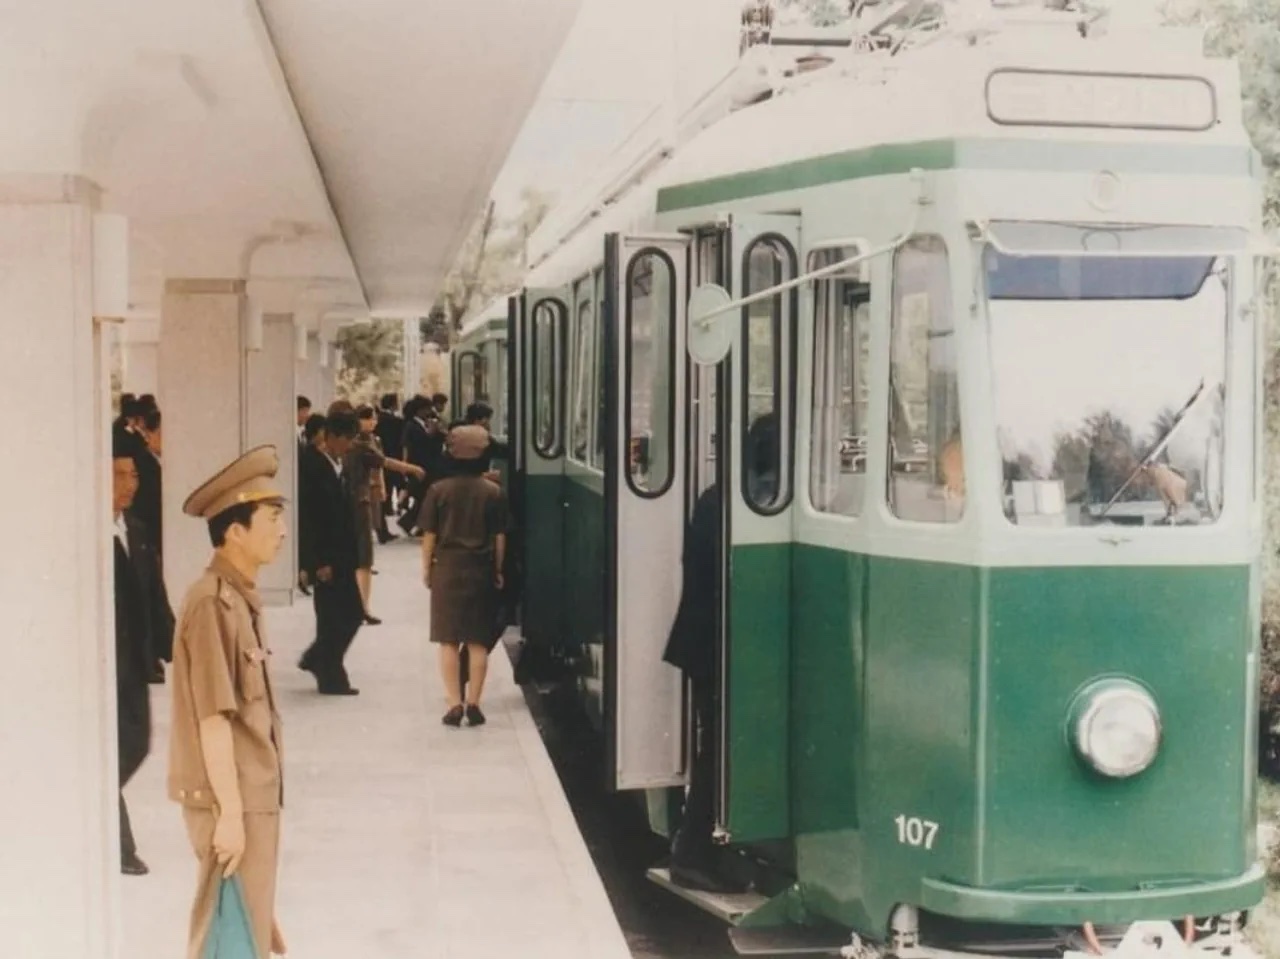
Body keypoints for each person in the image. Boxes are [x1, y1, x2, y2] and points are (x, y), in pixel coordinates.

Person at [168, 446, 288, 959]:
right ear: (235, 530)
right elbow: (213, 719)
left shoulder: (238, 598)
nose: (282, 530)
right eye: (272, 517)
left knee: (247, 933)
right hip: (232, 796)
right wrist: (231, 816)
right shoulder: (210, 603)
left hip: (251, 792)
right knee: (229, 940)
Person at [661, 481, 745, 894]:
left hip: (703, 642)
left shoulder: (719, 494)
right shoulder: (743, 501)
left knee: (714, 747)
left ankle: (699, 847)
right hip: (714, 645)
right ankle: (690, 854)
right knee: (715, 751)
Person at [419, 425, 509, 727]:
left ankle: (454, 704)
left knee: (448, 641)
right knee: (477, 642)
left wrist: (426, 569)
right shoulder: (494, 492)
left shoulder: (438, 490)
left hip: (447, 568)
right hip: (480, 569)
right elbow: (499, 538)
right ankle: (475, 703)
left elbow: (429, 536)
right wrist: (497, 569)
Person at [112, 439, 173, 875]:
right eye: (119, 475)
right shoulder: (89, 531)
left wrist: (170, 646)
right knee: (110, 749)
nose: (129, 484)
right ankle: (119, 845)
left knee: (137, 743)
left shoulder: (135, 528)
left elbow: (154, 593)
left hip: (134, 660)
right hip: (102, 663)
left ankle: (94, 814)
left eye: (133, 475)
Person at [298, 411, 365, 695]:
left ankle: (322, 663)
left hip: (339, 555)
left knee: (342, 614)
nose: (350, 446)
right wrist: (316, 562)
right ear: (333, 436)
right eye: (348, 439)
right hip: (328, 557)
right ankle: (327, 670)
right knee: (342, 614)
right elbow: (310, 518)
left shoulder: (330, 463)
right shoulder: (313, 466)